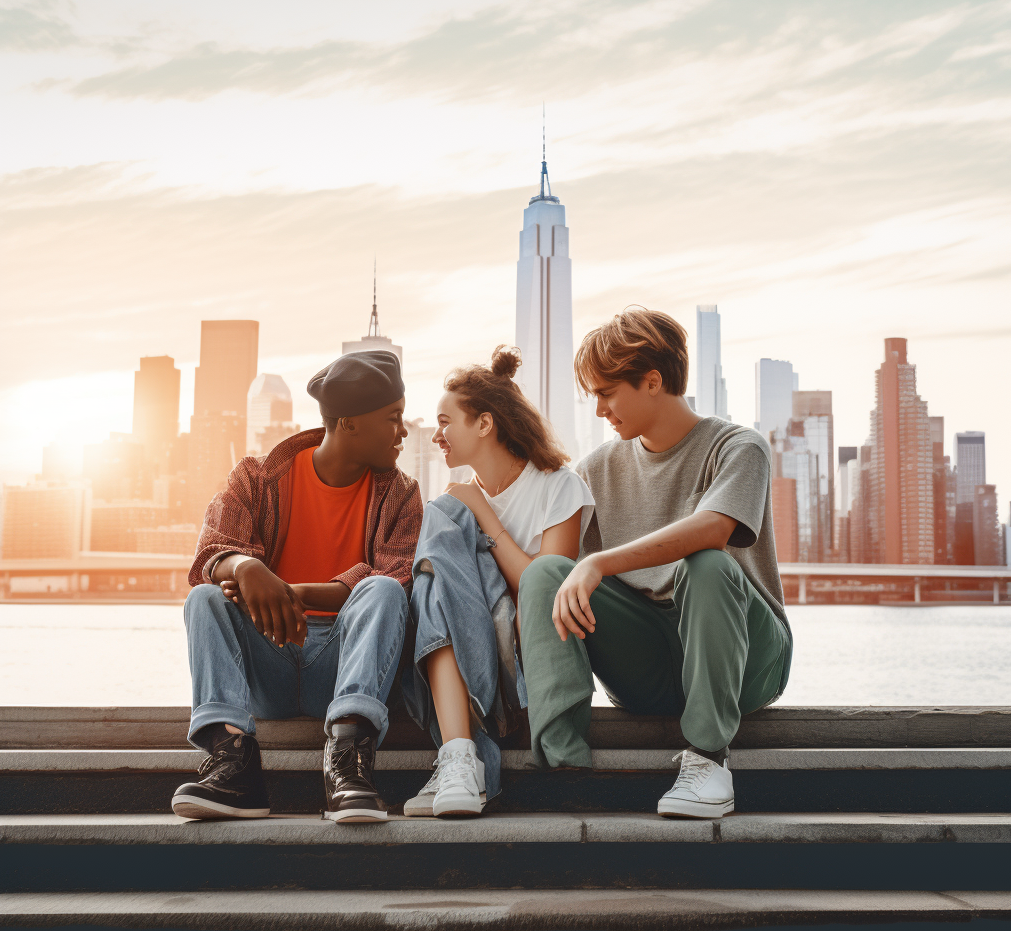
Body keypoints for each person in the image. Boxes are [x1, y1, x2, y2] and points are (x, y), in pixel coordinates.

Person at [518, 308, 792, 818]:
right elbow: (557, 585)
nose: (599, 409)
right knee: (545, 573)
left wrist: (598, 561)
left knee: (707, 564)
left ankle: (708, 760)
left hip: (747, 660)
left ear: (652, 381)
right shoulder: (596, 469)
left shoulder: (737, 446)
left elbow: (713, 529)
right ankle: (563, 769)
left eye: (606, 392)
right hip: (650, 665)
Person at [171, 350, 422, 823]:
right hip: (270, 662)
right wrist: (246, 567)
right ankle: (234, 762)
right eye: (393, 419)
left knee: (385, 592)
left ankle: (347, 762)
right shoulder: (257, 477)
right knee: (204, 597)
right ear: (348, 423)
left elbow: (399, 576)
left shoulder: (402, 493)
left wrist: (297, 592)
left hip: (347, 666)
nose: (403, 431)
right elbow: (209, 558)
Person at [404, 346, 594, 817]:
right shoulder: (455, 503)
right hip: (469, 652)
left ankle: (464, 757)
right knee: (438, 532)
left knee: (444, 517)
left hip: (530, 662)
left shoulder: (558, 486)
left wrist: (484, 515)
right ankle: (460, 757)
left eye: (446, 422)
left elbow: (547, 588)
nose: (437, 436)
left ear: (485, 424)